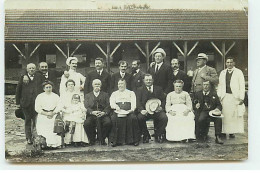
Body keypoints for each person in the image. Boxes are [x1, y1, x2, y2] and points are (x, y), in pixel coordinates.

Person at [217, 57, 245, 138]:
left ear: (234, 63)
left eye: (231, 62)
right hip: (225, 96)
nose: (229, 64)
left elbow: (242, 85)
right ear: (226, 63)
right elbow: (220, 85)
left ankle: (232, 131)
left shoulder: (238, 72)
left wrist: (241, 98)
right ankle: (224, 131)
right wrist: (219, 95)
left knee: (233, 115)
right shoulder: (223, 72)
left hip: (234, 96)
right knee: (225, 114)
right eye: (228, 62)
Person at [136, 74, 168, 143]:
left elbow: (164, 100)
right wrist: (141, 110)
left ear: (153, 80)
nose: (148, 81)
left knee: (164, 117)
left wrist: (161, 107)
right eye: (146, 80)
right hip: (146, 112)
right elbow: (138, 102)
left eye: (150, 80)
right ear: (143, 81)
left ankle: (158, 134)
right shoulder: (139, 90)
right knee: (140, 118)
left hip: (157, 111)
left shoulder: (159, 89)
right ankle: (146, 135)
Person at [109, 79, 140, 147]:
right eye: (119, 84)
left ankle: (134, 140)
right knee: (114, 119)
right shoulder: (114, 93)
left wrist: (131, 110)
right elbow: (112, 103)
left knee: (133, 118)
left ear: (125, 85)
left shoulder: (131, 93)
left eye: (122, 84)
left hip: (128, 111)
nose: (120, 85)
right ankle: (115, 141)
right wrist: (116, 107)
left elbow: (134, 103)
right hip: (117, 111)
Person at [35, 81, 63, 148]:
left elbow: (59, 106)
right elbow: (37, 108)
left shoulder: (55, 96)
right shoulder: (40, 96)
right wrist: (46, 113)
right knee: (44, 128)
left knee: (53, 129)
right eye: (47, 87)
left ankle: (55, 145)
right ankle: (44, 144)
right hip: (43, 115)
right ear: (44, 89)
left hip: (53, 114)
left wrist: (53, 113)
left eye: (50, 87)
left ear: (52, 88)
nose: (48, 89)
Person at [84, 79, 112, 146]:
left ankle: (102, 139)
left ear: (101, 85)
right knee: (87, 124)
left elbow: (108, 106)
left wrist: (104, 112)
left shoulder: (105, 95)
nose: (97, 86)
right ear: (92, 85)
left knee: (108, 123)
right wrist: (92, 112)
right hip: (92, 115)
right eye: (95, 84)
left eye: (98, 84)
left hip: (103, 114)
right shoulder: (88, 95)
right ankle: (92, 139)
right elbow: (86, 106)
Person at [15, 63, 38, 145]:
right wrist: (17, 102)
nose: (31, 70)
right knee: (27, 120)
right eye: (30, 68)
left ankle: (35, 137)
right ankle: (28, 138)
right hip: (25, 103)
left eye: (33, 68)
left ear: (35, 69)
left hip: (36, 103)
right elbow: (18, 90)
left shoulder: (38, 77)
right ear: (27, 70)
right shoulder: (23, 77)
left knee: (36, 121)